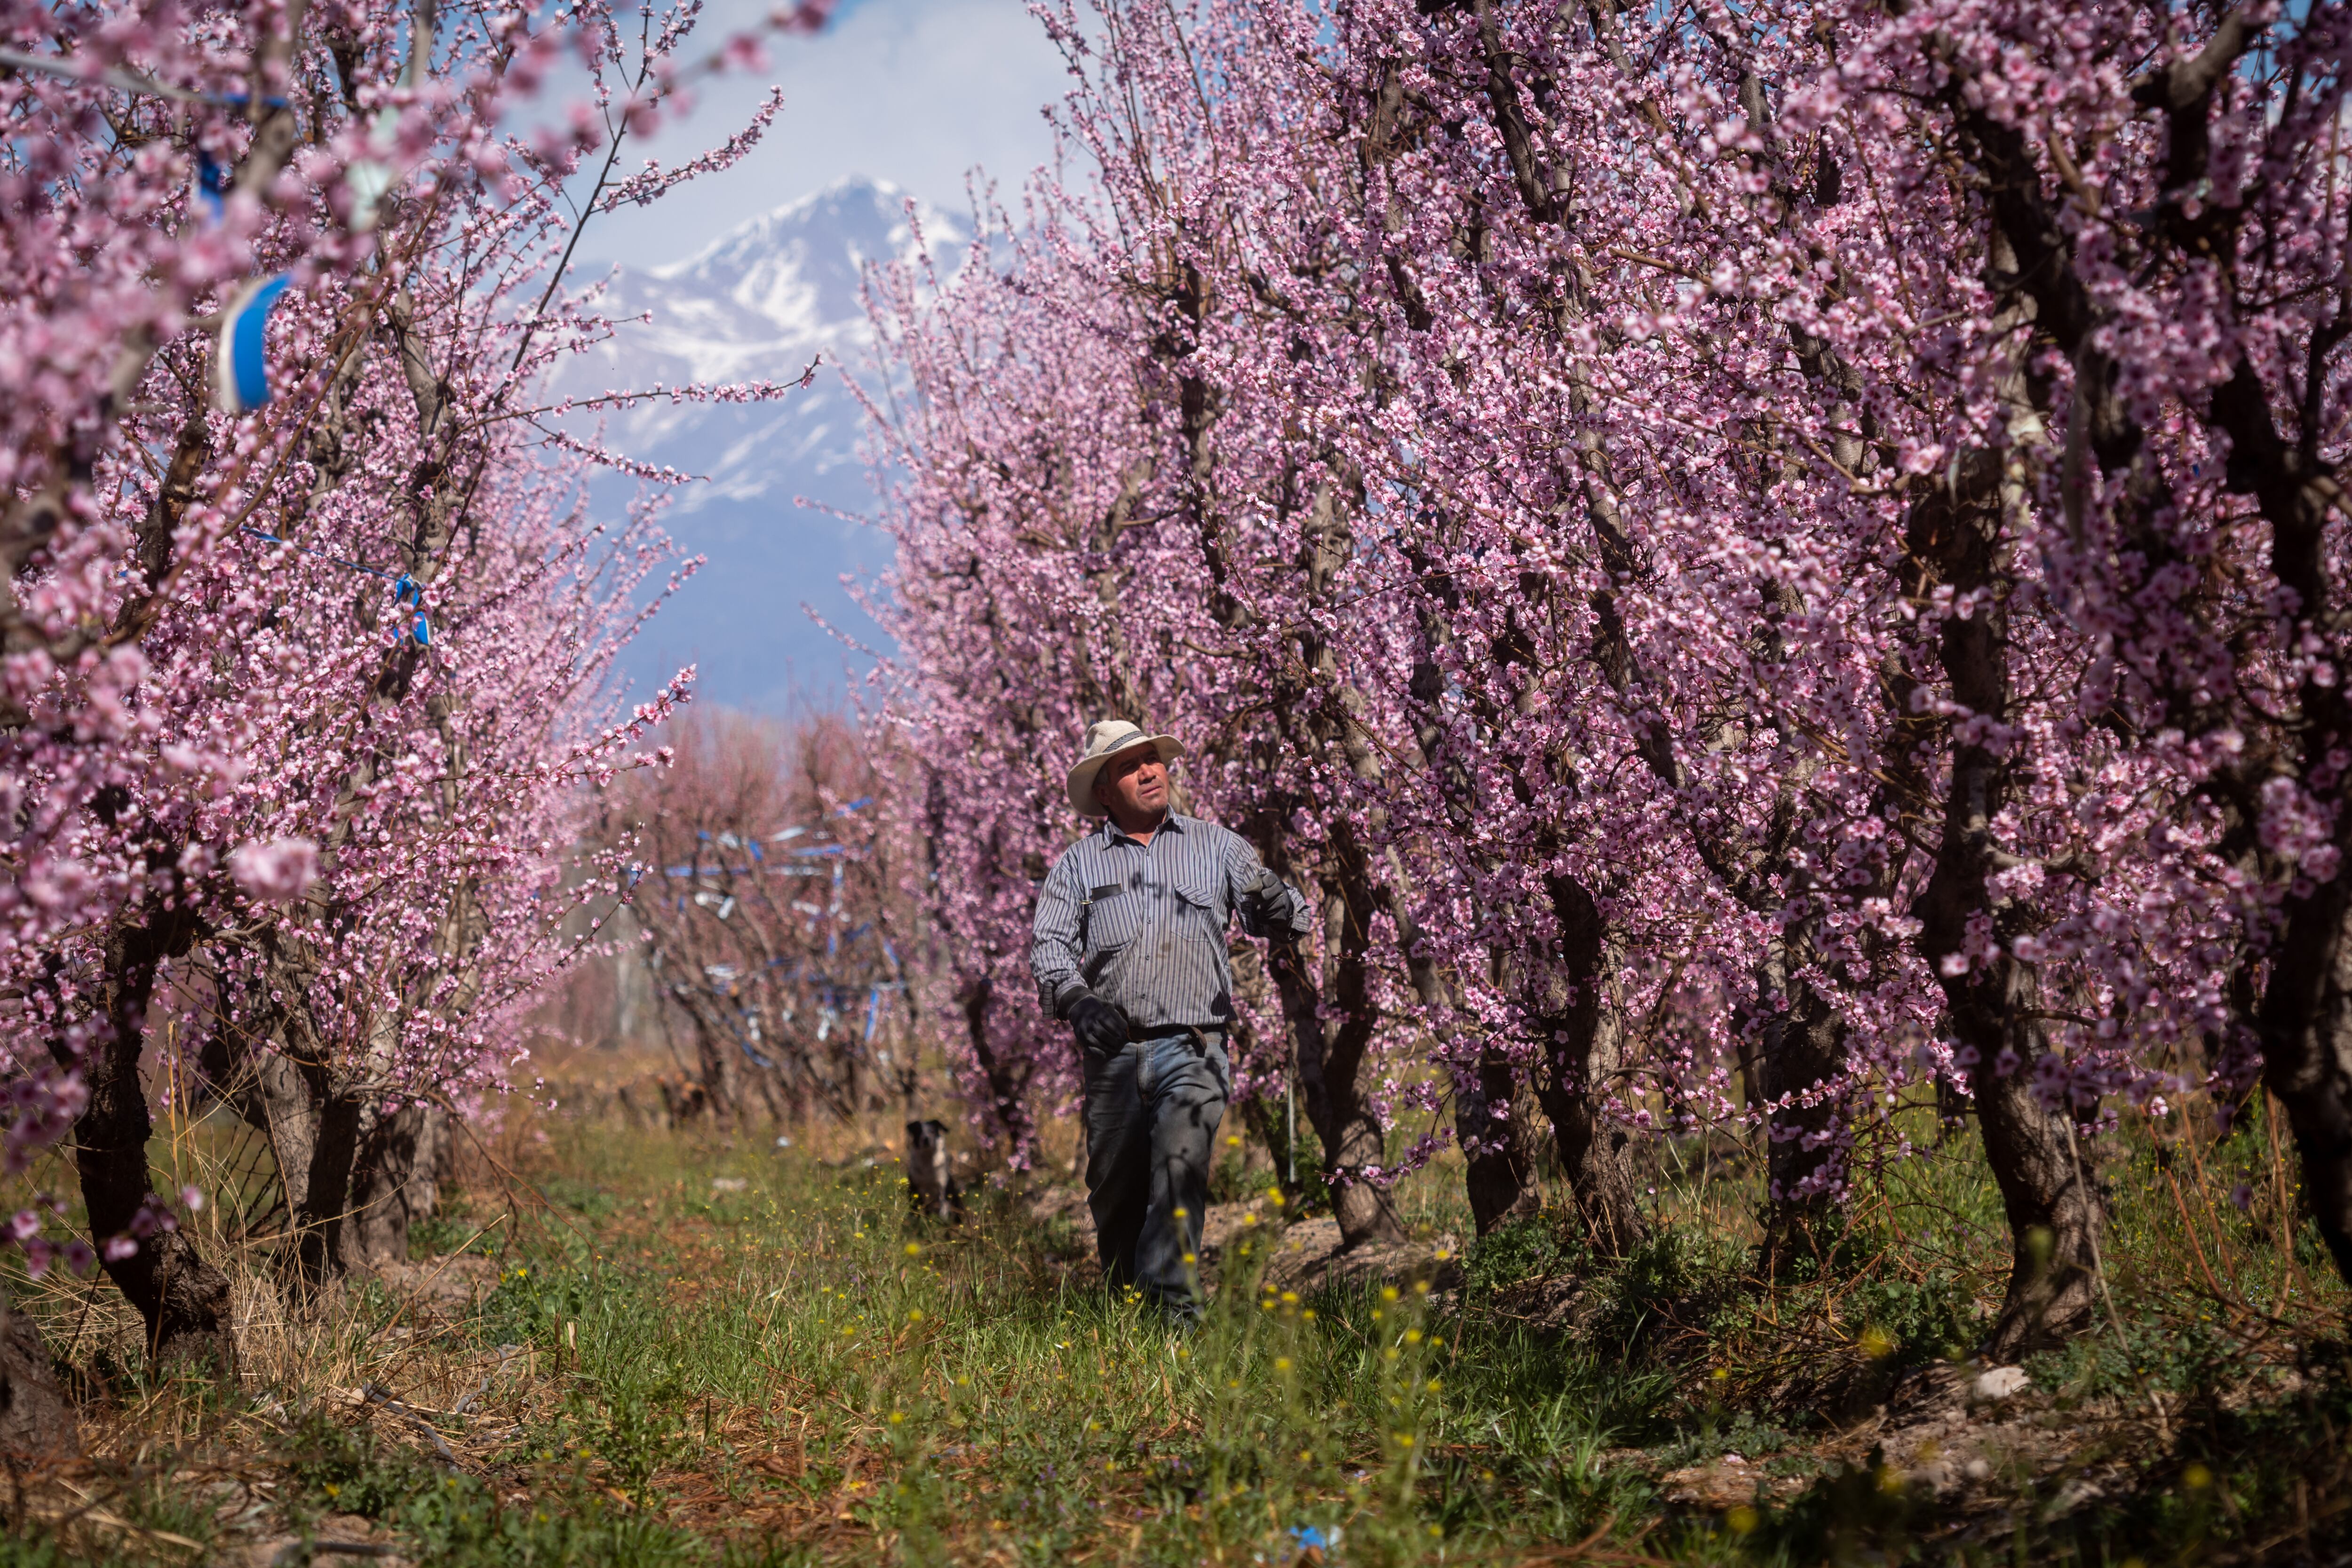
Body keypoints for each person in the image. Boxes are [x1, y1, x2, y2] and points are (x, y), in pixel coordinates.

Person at [1030, 718, 1311, 1321]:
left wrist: (1273, 903)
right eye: (1130, 767)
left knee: (1178, 1175)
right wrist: (1078, 1002)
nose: (1149, 771)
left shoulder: (1218, 846)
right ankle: (1124, 1310)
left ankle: (1173, 1326)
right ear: (1104, 792)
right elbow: (1049, 948)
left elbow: (1283, 916)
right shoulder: (1076, 867)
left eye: (1152, 759)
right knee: (1116, 1197)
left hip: (1194, 1045)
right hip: (1113, 1056)